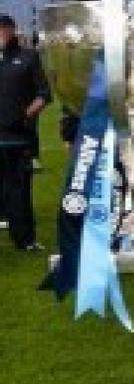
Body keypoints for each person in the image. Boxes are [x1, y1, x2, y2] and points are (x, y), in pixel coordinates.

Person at [0, 14, 52, 251]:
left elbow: (44, 94)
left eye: (2, 30)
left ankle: (25, 240)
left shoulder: (29, 58)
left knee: (20, 189)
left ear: (11, 31)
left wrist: (25, 115)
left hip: (19, 137)